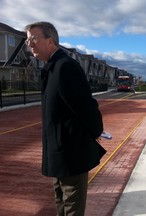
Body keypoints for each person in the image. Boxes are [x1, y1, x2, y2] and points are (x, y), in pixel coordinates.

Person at [24, 21, 106, 216]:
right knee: (61, 201)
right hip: (59, 153)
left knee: (72, 205)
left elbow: (86, 108)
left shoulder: (65, 67)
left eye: (33, 39)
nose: (29, 44)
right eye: (27, 40)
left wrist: (95, 132)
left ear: (50, 41)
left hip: (71, 154)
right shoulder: (52, 67)